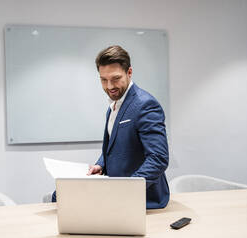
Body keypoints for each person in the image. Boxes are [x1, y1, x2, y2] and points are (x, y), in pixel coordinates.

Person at [52, 45, 169, 209]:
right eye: (103, 79)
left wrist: (127, 190)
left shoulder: (145, 105)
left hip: (143, 202)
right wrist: (101, 164)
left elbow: (158, 158)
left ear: (129, 72)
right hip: (117, 199)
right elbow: (115, 147)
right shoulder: (114, 106)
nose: (109, 86)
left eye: (115, 78)